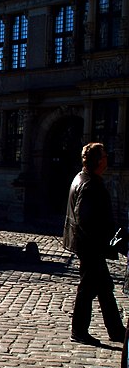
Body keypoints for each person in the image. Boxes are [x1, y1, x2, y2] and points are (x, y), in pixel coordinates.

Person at [63, 142, 125, 346]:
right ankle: (79, 330)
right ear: (99, 161)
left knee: (105, 287)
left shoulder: (82, 178)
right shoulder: (90, 184)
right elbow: (84, 219)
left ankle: (116, 330)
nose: (107, 158)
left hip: (87, 245)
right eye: (105, 156)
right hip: (90, 246)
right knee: (87, 289)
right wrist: (103, 242)